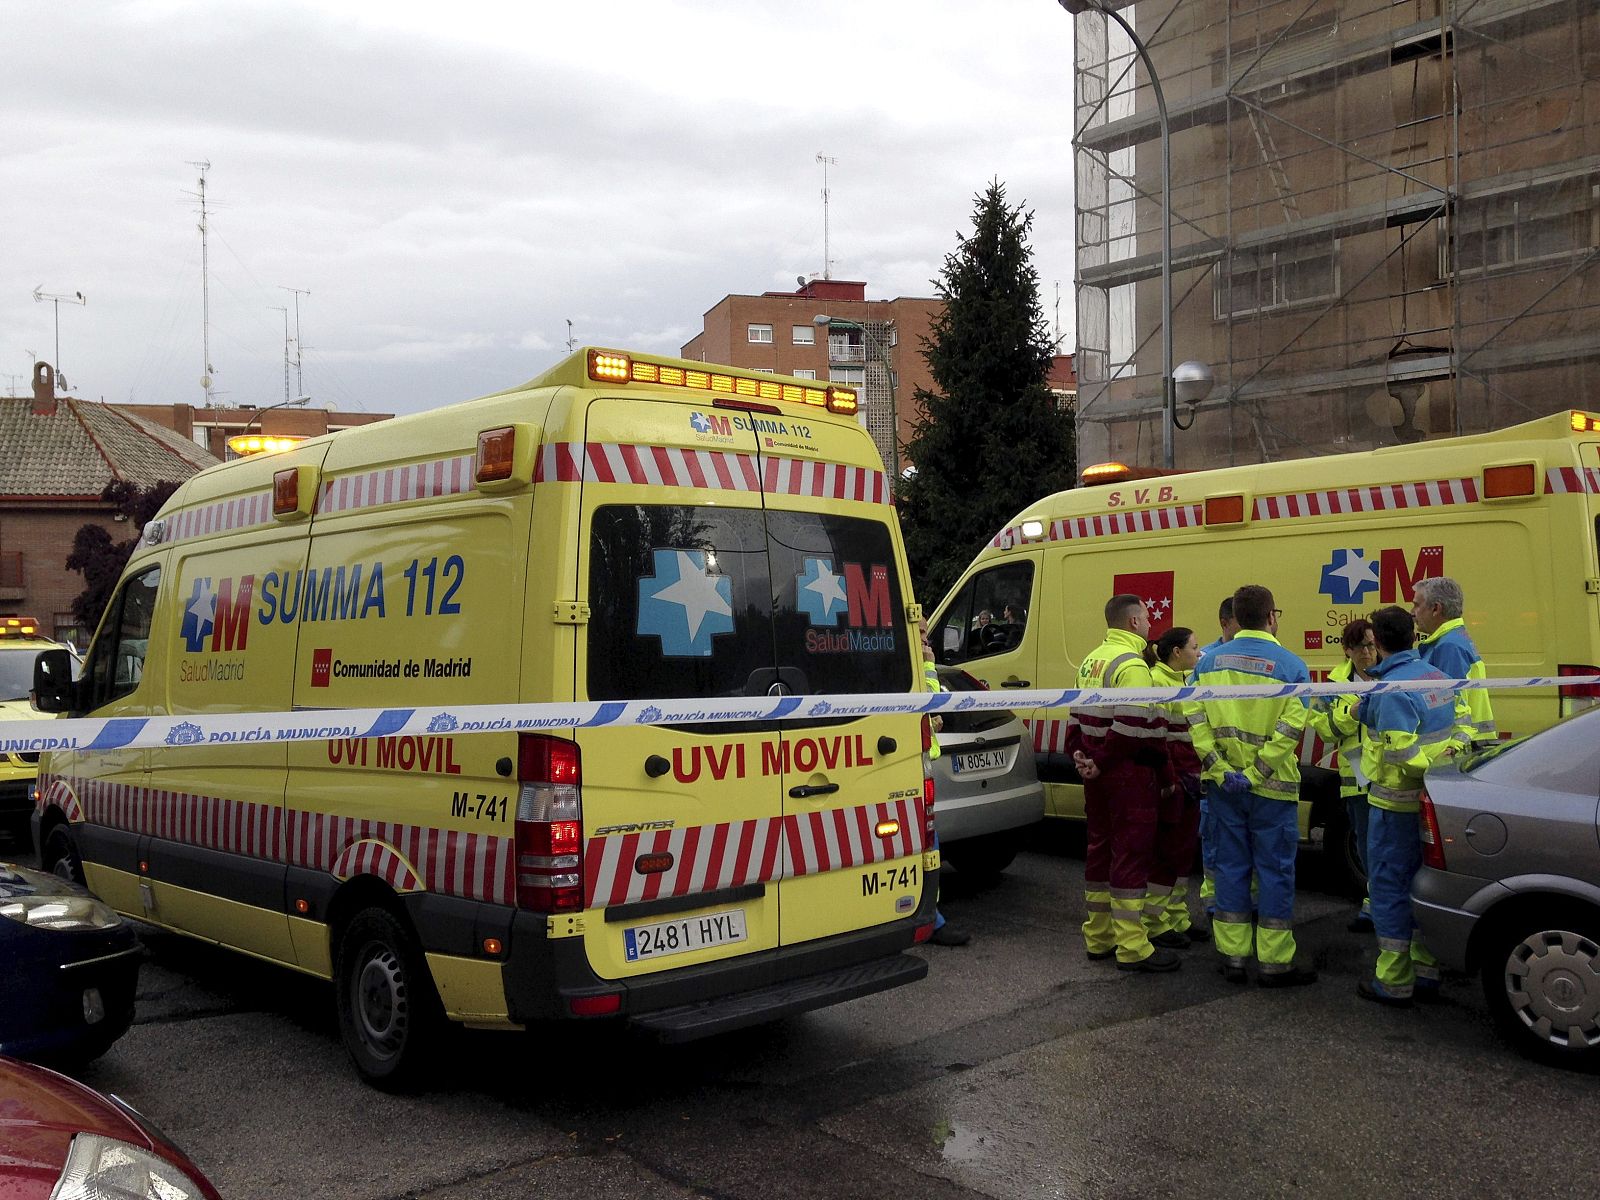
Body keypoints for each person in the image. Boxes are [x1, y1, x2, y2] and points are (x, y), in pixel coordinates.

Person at [1191, 585, 1317, 987]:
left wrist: (1220, 769)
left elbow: (1196, 721)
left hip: (1224, 789)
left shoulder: (1207, 664)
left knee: (1229, 868)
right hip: (1273, 791)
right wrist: (1256, 773)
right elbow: (1290, 731)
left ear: (1235, 617)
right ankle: (1275, 963)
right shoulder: (1292, 666)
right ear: (1271, 617)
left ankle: (1233, 957)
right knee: (1275, 872)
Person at [1071, 594, 1179, 972]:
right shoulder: (1132, 665)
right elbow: (1132, 727)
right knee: (1130, 855)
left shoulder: (1090, 661)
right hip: (1127, 774)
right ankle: (1132, 946)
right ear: (1133, 622)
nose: (1150, 624)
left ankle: (1099, 937)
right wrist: (1100, 763)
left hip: (1097, 774)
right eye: (1146, 618)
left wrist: (1082, 758)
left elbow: (1076, 717)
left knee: (1099, 850)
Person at [1355, 605, 1456, 1007]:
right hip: (1434, 804)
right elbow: (1462, 727)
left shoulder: (1392, 689)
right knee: (1422, 886)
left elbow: (1401, 753)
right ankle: (1426, 971)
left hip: (1395, 808)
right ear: (1414, 637)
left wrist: (1426, 772)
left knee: (1389, 891)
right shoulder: (1438, 677)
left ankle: (1394, 981)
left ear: (1377, 642)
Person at [1306, 619, 1378, 932]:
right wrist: (1351, 714)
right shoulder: (1333, 686)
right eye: (1360, 646)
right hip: (1357, 779)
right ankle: (1373, 905)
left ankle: (1388, 905)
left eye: (1372, 645)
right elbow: (1323, 728)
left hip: (1389, 775)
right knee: (1365, 845)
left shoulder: (1390, 676)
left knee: (1391, 845)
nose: (1367, 652)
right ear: (1347, 650)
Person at [1144, 626, 1209, 948]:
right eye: (1194, 647)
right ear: (1177, 652)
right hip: (1175, 781)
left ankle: (1176, 916)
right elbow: (1159, 739)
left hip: (1190, 777)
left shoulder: (1183, 681)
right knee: (1167, 852)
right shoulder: (1157, 682)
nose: (1199, 652)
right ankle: (1154, 922)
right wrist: (1169, 780)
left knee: (1183, 853)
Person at [919, 619, 971, 947]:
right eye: (920, 633)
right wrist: (928, 664)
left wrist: (931, 722)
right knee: (927, 847)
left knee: (930, 847)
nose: (927, 640)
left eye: (927, 633)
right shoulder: (916, 666)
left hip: (920, 764)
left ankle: (929, 916)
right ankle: (930, 920)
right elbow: (931, 699)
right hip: (910, 767)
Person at [1412, 577, 1495, 752]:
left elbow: (1453, 701)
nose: (1412, 612)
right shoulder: (1454, 640)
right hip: (1470, 742)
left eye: (1417, 605)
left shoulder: (1448, 646)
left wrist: (1455, 744)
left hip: (1458, 746)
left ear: (1436, 609)